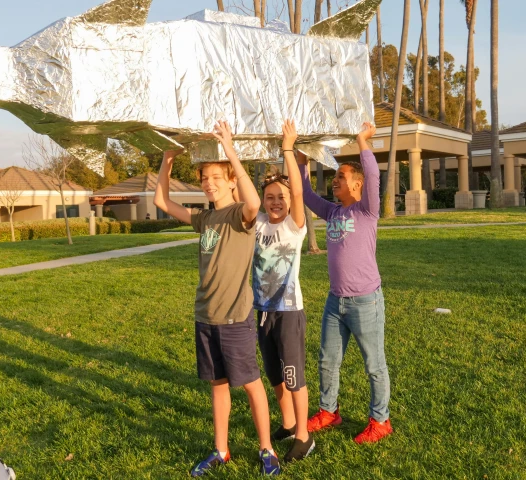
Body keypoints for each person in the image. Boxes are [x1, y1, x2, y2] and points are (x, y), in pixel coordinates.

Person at [153, 120, 280, 476]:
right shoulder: (205, 218)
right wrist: (166, 159)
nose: (208, 184)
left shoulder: (240, 216)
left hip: (234, 317)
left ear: (229, 181)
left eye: (215, 177)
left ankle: (266, 449)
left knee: (251, 385)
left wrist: (230, 151)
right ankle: (221, 450)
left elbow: (254, 201)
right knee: (218, 384)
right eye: (203, 178)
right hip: (205, 315)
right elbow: (161, 200)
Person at [297, 122, 393, 444]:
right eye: (335, 176)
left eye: (341, 177)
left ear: (357, 186)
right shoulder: (333, 212)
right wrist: (301, 163)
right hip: (335, 300)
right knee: (327, 359)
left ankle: (380, 420)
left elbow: (374, 176)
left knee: (374, 365)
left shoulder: (367, 210)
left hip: (365, 301)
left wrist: (362, 140)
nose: (335, 180)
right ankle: (329, 410)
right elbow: (306, 194)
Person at [252, 120, 314, 462]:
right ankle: (289, 423)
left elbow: (300, 192)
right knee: (274, 374)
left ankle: (304, 437)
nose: (276, 202)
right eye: (270, 197)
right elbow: (242, 192)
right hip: (262, 313)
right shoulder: (258, 223)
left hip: (289, 312)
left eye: (281, 197)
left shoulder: (294, 227)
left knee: (293, 376)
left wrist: (288, 148)